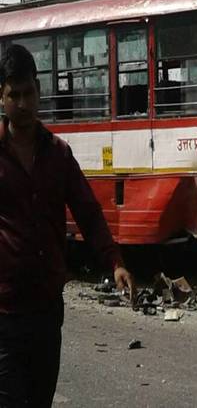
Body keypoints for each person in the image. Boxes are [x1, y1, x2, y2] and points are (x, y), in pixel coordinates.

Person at [0, 44, 136, 407]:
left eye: (29, 93)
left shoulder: (58, 155)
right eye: (15, 95)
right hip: (4, 314)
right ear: (2, 97)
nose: (24, 104)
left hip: (46, 310)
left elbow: (88, 212)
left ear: (39, 92)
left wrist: (115, 262)